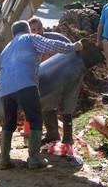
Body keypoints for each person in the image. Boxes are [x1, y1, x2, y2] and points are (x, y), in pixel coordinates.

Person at [0, 20, 83, 170]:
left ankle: (3, 160)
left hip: (4, 89)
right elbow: (51, 45)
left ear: (13, 34)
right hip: (25, 84)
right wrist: (73, 47)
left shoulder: (6, 48)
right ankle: (34, 159)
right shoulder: (30, 38)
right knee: (36, 119)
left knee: (9, 122)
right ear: (27, 30)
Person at [28, 17, 81, 146]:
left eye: (39, 28)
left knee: (67, 103)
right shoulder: (29, 45)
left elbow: (72, 51)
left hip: (70, 71)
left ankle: (68, 137)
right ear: (29, 32)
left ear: (43, 28)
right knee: (46, 102)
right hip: (50, 77)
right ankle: (52, 134)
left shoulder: (55, 39)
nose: (37, 32)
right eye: (33, 30)